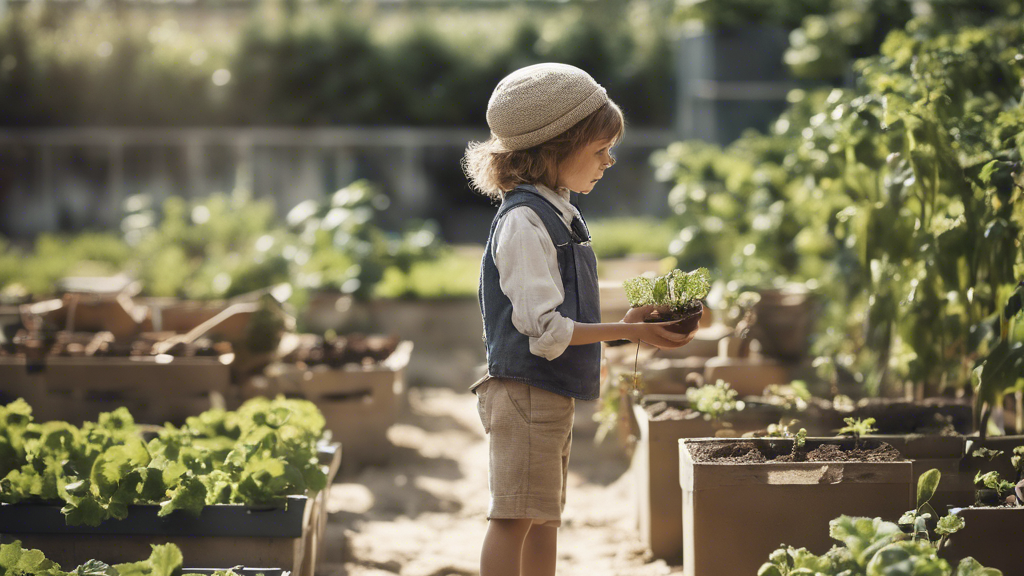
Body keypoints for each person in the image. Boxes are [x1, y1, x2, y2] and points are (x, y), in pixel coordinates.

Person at [461, 62, 697, 576]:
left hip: (545, 394)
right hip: (524, 394)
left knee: (544, 518)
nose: (609, 161)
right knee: (514, 518)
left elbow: (568, 306)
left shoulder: (557, 211)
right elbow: (546, 331)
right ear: (553, 150)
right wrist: (631, 331)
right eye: (599, 149)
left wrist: (629, 317)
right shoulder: (524, 223)